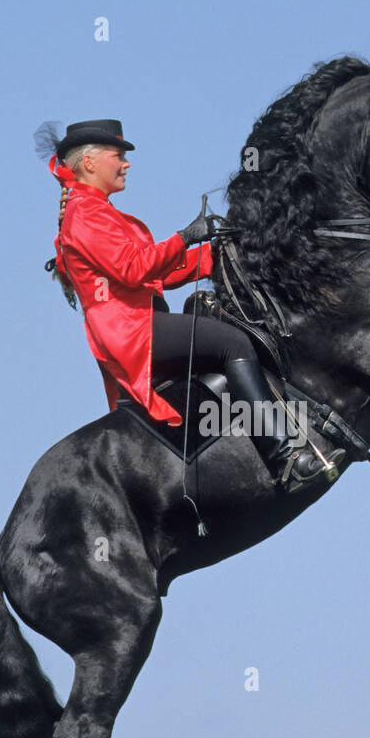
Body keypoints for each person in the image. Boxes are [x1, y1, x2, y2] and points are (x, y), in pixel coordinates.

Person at [42, 119, 343, 493]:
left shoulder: (98, 210)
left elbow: (160, 274)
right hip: (131, 330)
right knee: (234, 344)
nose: (126, 164)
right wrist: (185, 236)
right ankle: (286, 456)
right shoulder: (86, 215)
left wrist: (225, 252)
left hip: (141, 322)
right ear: (89, 163)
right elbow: (136, 269)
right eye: (118, 156)